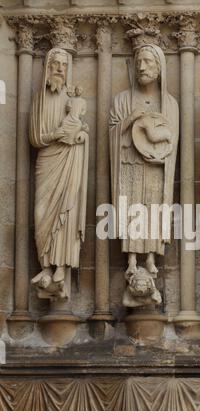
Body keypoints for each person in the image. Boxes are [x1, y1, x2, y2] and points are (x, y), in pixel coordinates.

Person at [109, 44, 179, 275]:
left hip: (155, 166)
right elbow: (111, 136)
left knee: (153, 208)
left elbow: (173, 141)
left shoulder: (170, 104)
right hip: (129, 165)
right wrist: (130, 119)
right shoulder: (121, 100)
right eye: (139, 62)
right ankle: (131, 258)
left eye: (148, 62)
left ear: (160, 68)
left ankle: (150, 256)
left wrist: (161, 158)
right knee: (131, 209)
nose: (141, 67)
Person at [30, 48, 89, 289]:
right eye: (55, 64)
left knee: (68, 209)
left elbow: (82, 129)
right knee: (41, 212)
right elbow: (34, 137)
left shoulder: (73, 100)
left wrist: (80, 137)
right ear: (47, 67)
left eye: (64, 65)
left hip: (69, 159)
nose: (59, 69)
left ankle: (61, 265)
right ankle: (45, 264)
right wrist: (56, 135)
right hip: (48, 160)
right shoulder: (40, 99)